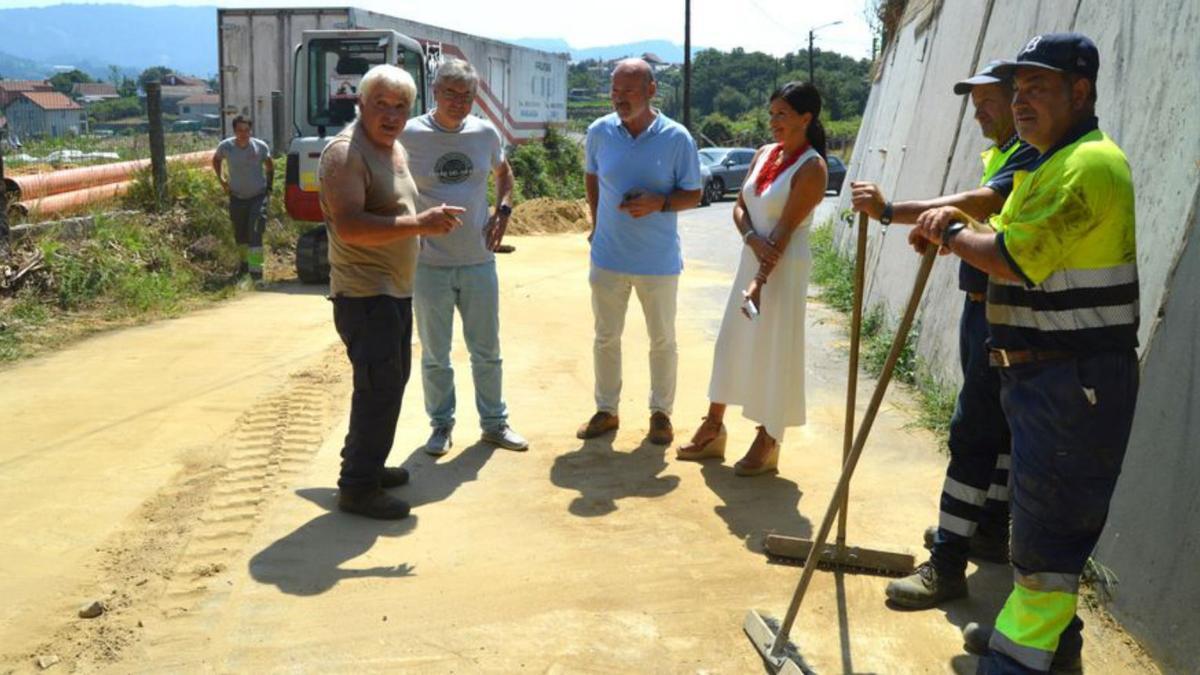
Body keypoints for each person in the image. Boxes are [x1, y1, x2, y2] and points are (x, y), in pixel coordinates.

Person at [908, 33, 1138, 674]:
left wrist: (950, 229)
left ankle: (1015, 663)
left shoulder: (1087, 165)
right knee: (1040, 523)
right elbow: (1001, 239)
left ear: (1081, 91)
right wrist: (953, 235)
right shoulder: (1042, 163)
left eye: (1038, 87)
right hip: (1048, 378)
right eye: (1019, 88)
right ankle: (1051, 646)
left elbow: (1009, 258)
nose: (1022, 100)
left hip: (1076, 382)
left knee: (1046, 541)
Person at [850, 63, 1039, 608]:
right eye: (973, 102)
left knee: (972, 432)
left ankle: (949, 560)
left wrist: (892, 212)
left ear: (1014, 98)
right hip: (984, 306)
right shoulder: (1005, 151)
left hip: (1002, 312)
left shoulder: (1028, 153)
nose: (978, 111)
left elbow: (979, 203)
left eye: (987, 101)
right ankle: (985, 528)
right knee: (996, 432)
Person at [318, 64, 466, 520]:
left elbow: (393, 207)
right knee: (378, 388)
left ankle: (368, 465)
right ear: (360, 104)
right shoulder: (346, 154)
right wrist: (421, 224)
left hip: (394, 291)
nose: (391, 114)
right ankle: (358, 487)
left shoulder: (392, 148)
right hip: (365, 294)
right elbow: (350, 226)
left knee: (389, 384)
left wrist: (424, 219)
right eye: (381, 104)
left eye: (400, 106)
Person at [675, 82, 828, 476]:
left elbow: (786, 231)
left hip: (783, 267)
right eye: (772, 113)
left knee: (773, 348)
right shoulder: (764, 154)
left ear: (806, 119)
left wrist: (761, 277)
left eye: (783, 114)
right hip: (753, 257)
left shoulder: (812, 167)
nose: (773, 121)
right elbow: (741, 205)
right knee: (732, 341)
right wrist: (751, 240)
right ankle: (713, 426)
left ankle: (769, 437)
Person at [403, 58, 528, 456]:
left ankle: (494, 424)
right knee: (436, 356)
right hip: (428, 265)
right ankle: (441, 426)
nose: (460, 102)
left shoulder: (484, 133)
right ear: (434, 92)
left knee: (487, 351)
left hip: (478, 260)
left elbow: (504, 175)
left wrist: (503, 211)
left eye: (467, 95)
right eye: (451, 93)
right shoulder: (409, 135)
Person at [576, 58, 703, 445]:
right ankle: (607, 410)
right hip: (608, 258)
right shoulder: (599, 131)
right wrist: (597, 225)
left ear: (650, 91)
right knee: (605, 337)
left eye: (629, 91)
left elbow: (694, 194)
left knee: (662, 340)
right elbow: (592, 176)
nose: (620, 99)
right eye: (615, 91)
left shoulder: (677, 138)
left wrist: (658, 203)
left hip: (658, 262)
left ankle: (661, 414)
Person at [212, 115, 273, 280]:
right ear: (234, 131)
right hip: (237, 197)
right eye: (240, 130)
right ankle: (244, 265)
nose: (243, 133)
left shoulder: (260, 147)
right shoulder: (226, 147)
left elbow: (269, 165)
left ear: (250, 130)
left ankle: (256, 272)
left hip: (257, 196)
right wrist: (222, 180)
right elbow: (216, 160)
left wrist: (269, 187)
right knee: (240, 234)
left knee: (255, 231)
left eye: (246, 130)